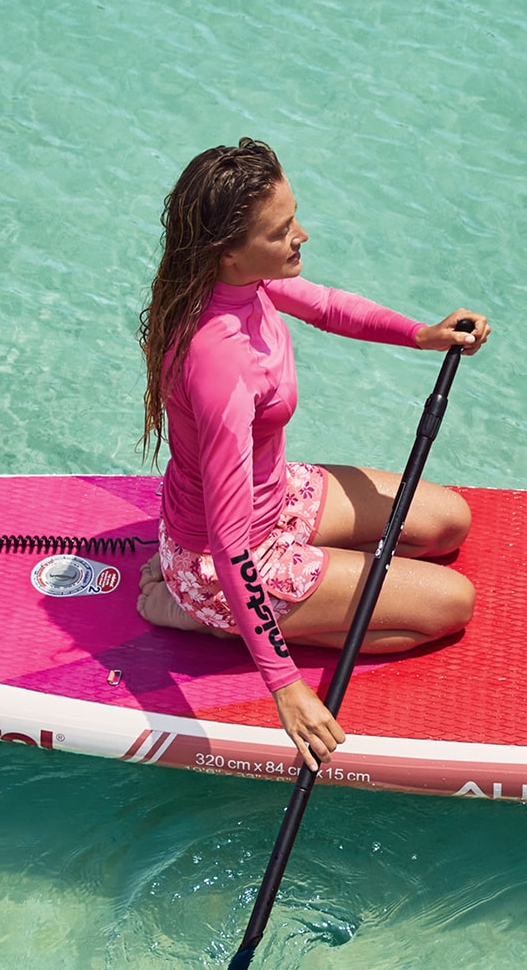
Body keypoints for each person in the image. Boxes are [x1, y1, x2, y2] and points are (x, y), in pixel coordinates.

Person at [134, 138, 489, 767]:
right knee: (449, 605)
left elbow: (327, 306)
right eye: (280, 231)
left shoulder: (248, 282)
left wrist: (423, 334)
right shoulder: (219, 364)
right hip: (226, 564)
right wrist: (287, 685)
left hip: (278, 498)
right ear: (227, 251)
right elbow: (229, 542)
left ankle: (278, 591)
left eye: (293, 216)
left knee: (447, 522)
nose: (301, 235)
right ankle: (193, 611)